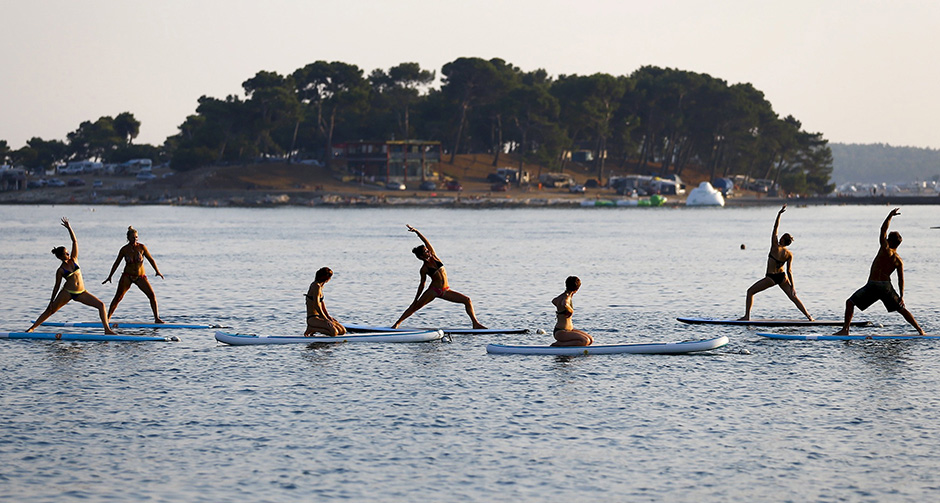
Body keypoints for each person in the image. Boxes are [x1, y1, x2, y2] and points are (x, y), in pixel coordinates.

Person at [834, 208, 925, 335]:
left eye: (887, 239)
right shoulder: (899, 260)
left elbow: (883, 230)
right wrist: (901, 296)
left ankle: (845, 330)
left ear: (890, 241)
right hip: (886, 287)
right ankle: (920, 331)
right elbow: (901, 279)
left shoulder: (885, 249)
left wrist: (890, 215)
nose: (885, 239)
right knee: (901, 308)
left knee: (850, 303)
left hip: (873, 285)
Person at [27, 218, 116, 335]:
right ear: (60, 256)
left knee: (101, 305)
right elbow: (56, 286)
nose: (68, 254)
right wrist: (51, 301)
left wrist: (69, 228)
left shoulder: (74, 259)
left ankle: (107, 330)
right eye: (66, 253)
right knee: (50, 310)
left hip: (81, 292)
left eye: (68, 252)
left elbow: (75, 241)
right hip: (67, 292)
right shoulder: (60, 270)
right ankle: (32, 328)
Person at [391, 225, 486, 329]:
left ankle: (475, 324)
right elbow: (422, 285)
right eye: (426, 251)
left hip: (446, 290)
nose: (428, 252)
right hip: (433, 291)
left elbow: (426, 241)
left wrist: (417, 231)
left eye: (427, 250)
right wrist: (415, 299)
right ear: (421, 256)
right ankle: (397, 324)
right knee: (415, 307)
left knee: (467, 300)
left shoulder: (434, 257)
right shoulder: (424, 269)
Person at [739, 204, 813, 321]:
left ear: (782, 239)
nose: (779, 238)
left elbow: (775, 227)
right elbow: (789, 271)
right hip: (782, 277)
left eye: (781, 237)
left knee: (750, 292)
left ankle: (747, 316)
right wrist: (793, 287)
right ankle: (809, 317)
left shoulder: (775, 247)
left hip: (771, 277)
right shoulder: (789, 254)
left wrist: (779, 214)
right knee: (793, 297)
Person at [102, 226, 164, 323]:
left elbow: (151, 259)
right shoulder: (124, 249)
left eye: (136, 237)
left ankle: (157, 318)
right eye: (132, 237)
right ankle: (107, 319)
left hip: (140, 277)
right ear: (128, 238)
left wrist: (157, 271)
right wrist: (110, 276)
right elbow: (116, 263)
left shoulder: (142, 247)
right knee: (118, 297)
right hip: (127, 276)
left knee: (152, 295)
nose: (135, 239)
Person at [551, 276, 593, 346]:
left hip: (567, 331)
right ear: (577, 289)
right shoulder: (567, 297)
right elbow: (564, 304)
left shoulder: (563, 296)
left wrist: (560, 311)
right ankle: (558, 344)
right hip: (561, 332)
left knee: (590, 340)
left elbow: (554, 301)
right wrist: (571, 311)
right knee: (585, 341)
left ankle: (563, 344)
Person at [304, 267, 346, 336]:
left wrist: (328, 316)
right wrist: (325, 319)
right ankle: (312, 328)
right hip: (313, 318)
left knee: (342, 330)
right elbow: (316, 305)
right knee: (334, 332)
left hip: (320, 317)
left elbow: (322, 304)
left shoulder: (320, 287)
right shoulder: (316, 286)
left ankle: (316, 328)